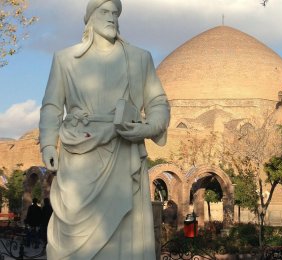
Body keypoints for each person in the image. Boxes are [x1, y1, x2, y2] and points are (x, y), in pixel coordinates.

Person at [39, 0, 170, 259]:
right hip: (79, 156)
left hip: (123, 150)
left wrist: (147, 128)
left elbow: (158, 103)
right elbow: (52, 107)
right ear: (90, 17)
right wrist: (46, 144)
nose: (111, 17)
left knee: (123, 233)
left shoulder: (139, 58)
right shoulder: (65, 59)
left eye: (115, 13)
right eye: (104, 12)